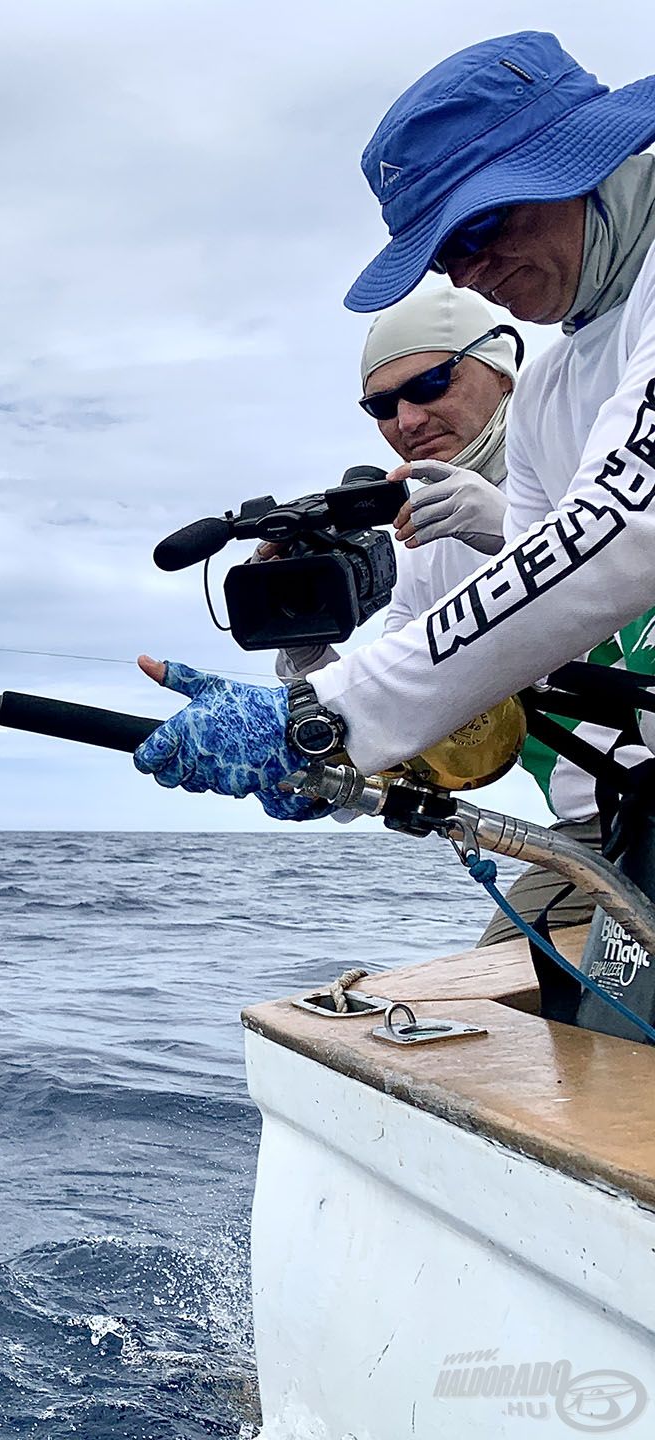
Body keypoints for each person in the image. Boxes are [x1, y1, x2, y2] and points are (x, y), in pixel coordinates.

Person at [135, 33, 655, 848]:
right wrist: (311, 686)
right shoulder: (557, 389)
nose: (466, 271)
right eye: (443, 251)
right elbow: (491, 649)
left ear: (577, 157)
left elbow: (623, 529)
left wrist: (331, 713)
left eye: (478, 225)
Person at [276, 283, 610, 943]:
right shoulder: (424, 548)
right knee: (489, 990)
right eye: (381, 405)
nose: (406, 419)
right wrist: (307, 661)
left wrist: (514, 537)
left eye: (431, 382)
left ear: (503, 369)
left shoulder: (594, 436)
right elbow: (403, 727)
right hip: (599, 831)